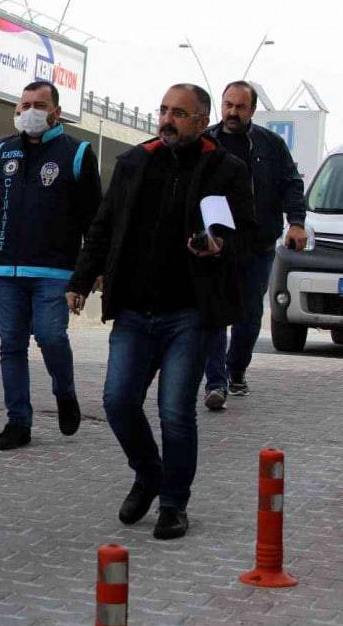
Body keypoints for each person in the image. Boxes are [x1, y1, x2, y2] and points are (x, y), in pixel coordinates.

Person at [66, 84, 256, 540]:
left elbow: (246, 236)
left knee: (175, 411)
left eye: (179, 113)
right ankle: (149, 472)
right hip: (134, 309)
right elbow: (103, 225)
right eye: (164, 110)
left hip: (189, 313)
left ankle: (173, 503)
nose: (168, 119)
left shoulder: (226, 169)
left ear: (202, 120)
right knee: (117, 401)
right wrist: (80, 279)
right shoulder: (135, 162)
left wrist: (219, 246)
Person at [0, 81, 101, 450]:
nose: (30, 111)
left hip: (54, 271)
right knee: (11, 347)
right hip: (7, 271)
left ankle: (65, 393)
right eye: (25, 104)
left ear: (57, 112)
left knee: (51, 337)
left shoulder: (77, 153)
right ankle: (18, 422)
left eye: (39, 105)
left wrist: (88, 276)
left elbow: (93, 221)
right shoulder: (3, 150)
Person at [201, 80, 308, 411]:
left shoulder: (270, 144)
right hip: (215, 244)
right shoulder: (206, 141)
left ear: (252, 110)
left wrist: (296, 222)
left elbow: (291, 183)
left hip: (256, 245)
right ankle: (215, 381)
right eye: (228, 105)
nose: (233, 112)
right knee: (214, 314)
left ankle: (236, 369)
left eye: (240, 107)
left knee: (248, 316)